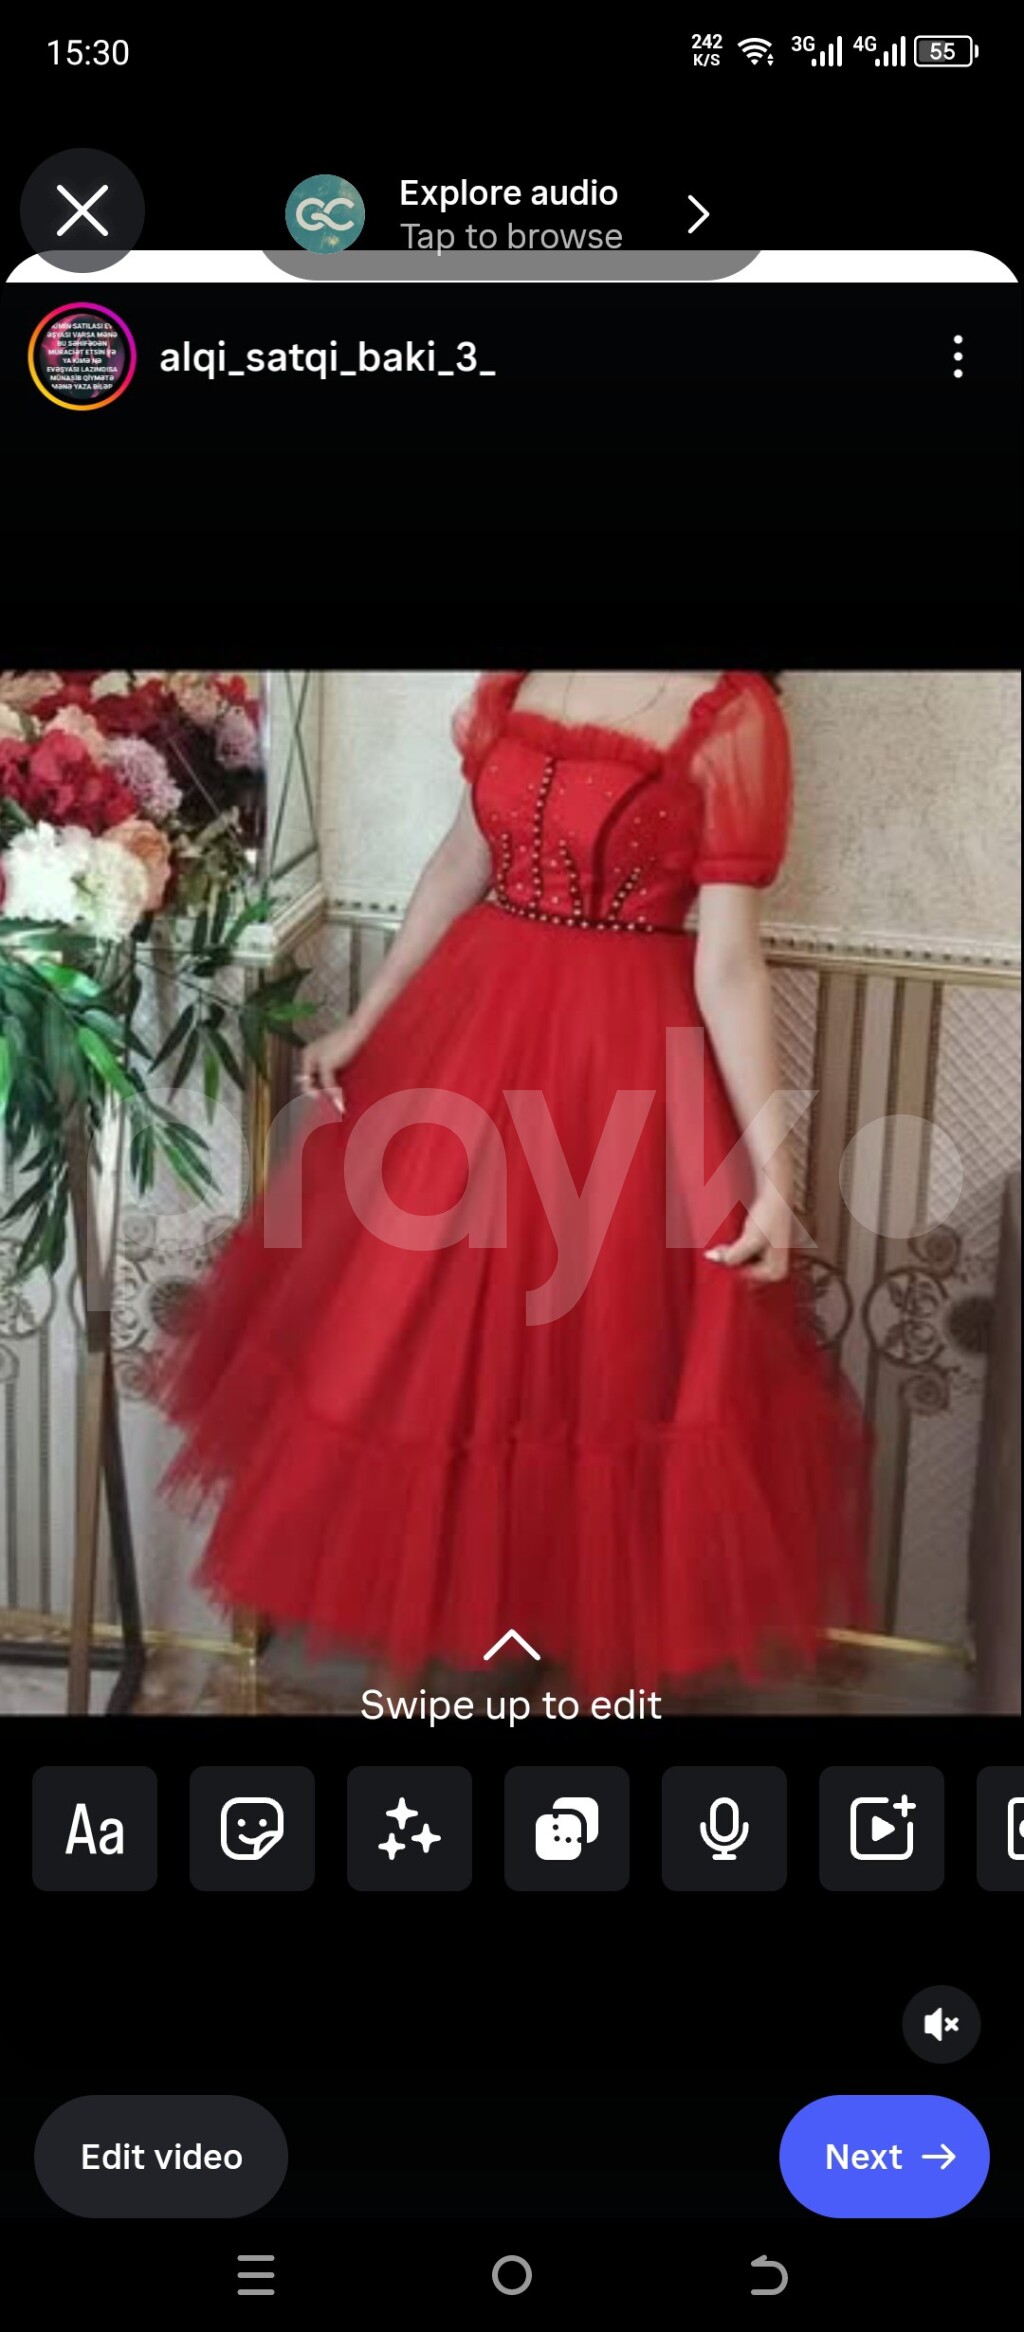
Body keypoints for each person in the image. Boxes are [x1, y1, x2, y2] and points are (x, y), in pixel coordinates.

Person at [159, 671, 869, 1693]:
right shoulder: (521, 676)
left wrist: (773, 1172)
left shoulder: (733, 713)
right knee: (405, 1338)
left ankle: (575, 1674)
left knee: (599, 1357)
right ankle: (437, 1657)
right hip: (468, 1032)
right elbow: (461, 863)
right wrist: (367, 1018)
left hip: (619, 1064)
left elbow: (728, 964)